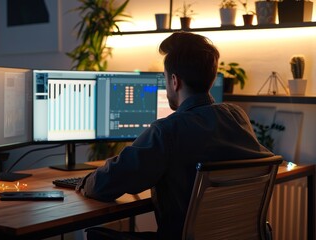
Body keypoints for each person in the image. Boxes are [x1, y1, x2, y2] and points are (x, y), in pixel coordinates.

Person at [75, 32, 273, 240]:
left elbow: (104, 185)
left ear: (174, 81)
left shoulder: (168, 130)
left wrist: (84, 181)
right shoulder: (237, 116)